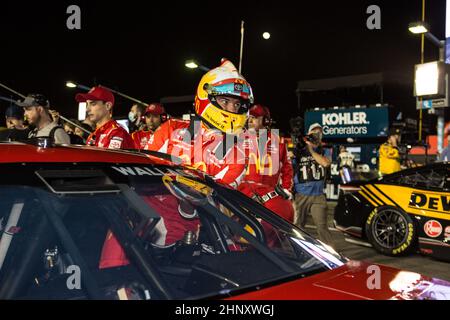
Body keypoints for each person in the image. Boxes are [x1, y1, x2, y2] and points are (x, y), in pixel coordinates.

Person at [99, 59, 254, 268]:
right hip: (145, 216)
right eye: (226, 101)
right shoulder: (171, 129)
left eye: (237, 104)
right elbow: (139, 176)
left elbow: (214, 202)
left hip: (196, 231)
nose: (232, 108)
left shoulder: (237, 153)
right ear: (207, 97)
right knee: (116, 261)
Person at [238, 104, 294, 223]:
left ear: (266, 121)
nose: (250, 120)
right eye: (249, 117)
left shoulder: (278, 141)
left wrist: (286, 189)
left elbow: (287, 168)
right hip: (242, 197)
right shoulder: (238, 137)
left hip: (269, 200)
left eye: (255, 117)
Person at [293, 123, 334, 246]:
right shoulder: (299, 151)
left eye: (319, 133)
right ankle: (297, 250)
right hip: (301, 195)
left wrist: (310, 150)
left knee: (322, 228)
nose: (317, 135)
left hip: (318, 196)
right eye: (314, 132)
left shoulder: (325, 150)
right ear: (309, 135)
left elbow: (325, 163)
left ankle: (333, 255)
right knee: (298, 227)